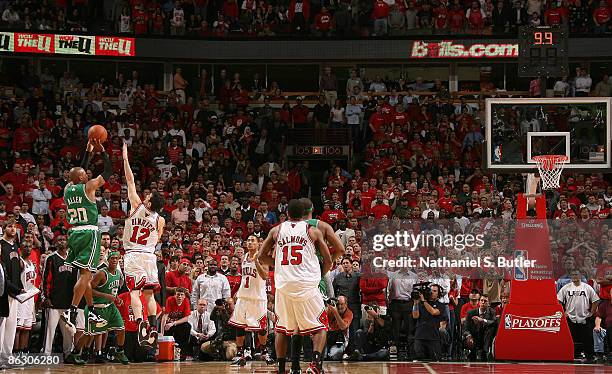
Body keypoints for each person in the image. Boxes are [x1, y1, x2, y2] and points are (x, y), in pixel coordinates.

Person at [259, 199, 332, 374]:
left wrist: (277, 264)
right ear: (305, 214)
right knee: (321, 326)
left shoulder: (277, 230)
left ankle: (282, 368)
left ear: (287, 214)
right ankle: (314, 364)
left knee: (281, 329)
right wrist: (319, 272)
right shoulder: (312, 231)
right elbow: (329, 260)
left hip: (284, 286)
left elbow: (262, 256)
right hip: (306, 285)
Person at [62, 139, 113, 332]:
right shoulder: (89, 186)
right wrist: (103, 153)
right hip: (89, 232)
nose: (87, 174)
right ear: (83, 178)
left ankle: (89, 310)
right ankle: (72, 310)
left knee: (84, 275)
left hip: (73, 233)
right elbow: (108, 173)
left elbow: (78, 170)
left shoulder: (67, 189)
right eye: (85, 174)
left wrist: (88, 152)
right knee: (86, 275)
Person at [122, 143, 165, 347]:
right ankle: (154, 326)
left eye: (147, 196)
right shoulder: (161, 220)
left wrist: (125, 158)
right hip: (150, 256)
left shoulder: (137, 206)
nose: (145, 195)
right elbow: (158, 239)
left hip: (133, 254)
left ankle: (140, 323)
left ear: (148, 203)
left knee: (134, 292)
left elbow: (130, 180)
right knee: (149, 294)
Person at [66, 250, 129, 365]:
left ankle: (119, 351)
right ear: (107, 260)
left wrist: (116, 299)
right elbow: (89, 289)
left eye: (116, 258)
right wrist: (106, 296)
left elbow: (113, 293)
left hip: (110, 307)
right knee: (89, 334)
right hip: (96, 307)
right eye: (112, 258)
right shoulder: (101, 273)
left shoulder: (119, 274)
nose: (114, 260)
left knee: (121, 329)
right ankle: (74, 353)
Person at [228, 235, 273, 365]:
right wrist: (239, 290)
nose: (249, 242)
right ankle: (240, 353)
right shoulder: (244, 257)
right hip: (244, 296)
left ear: (259, 243)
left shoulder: (263, 256)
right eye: (248, 240)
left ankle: (264, 352)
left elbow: (265, 276)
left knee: (261, 327)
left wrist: (256, 261)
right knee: (239, 325)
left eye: (252, 240)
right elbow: (245, 276)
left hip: (258, 297)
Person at [42, 235, 76, 356]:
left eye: (64, 240)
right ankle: (46, 354)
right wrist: (46, 297)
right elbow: (46, 280)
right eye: (59, 240)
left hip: (68, 303)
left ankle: (68, 354)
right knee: (50, 331)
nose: (62, 242)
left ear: (68, 242)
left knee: (68, 332)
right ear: (56, 243)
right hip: (54, 302)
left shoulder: (73, 259)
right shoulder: (51, 258)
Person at [558, 269, 600, 361]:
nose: (574, 276)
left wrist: (592, 312)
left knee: (587, 339)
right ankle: (573, 356)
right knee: (571, 339)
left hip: (584, 317)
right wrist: (563, 312)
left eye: (576, 274)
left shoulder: (587, 287)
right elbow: (558, 300)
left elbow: (596, 300)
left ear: (580, 275)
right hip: (570, 317)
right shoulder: (566, 287)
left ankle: (590, 357)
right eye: (572, 275)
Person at [0, 219, 23, 355]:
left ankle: (7, 355)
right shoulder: (1, 245)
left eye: (14, 227)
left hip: (14, 292)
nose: (13, 229)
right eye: (10, 226)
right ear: (4, 229)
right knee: (2, 326)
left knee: (11, 326)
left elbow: (16, 270)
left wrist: (19, 288)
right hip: (4, 291)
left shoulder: (15, 246)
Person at [412, 284, 448, 361]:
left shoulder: (441, 305)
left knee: (435, 359)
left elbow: (433, 312)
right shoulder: (420, 303)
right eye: (431, 290)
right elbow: (415, 316)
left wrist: (424, 301)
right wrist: (415, 303)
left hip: (433, 337)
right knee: (418, 360)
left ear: (439, 294)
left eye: (434, 291)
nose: (432, 292)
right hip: (420, 336)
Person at [14, 242, 37, 353]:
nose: (28, 248)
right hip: (21, 298)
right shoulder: (20, 262)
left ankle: (24, 351)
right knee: (18, 328)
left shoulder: (32, 263)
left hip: (30, 298)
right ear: (20, 249)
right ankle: (15, 352)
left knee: (27, 328)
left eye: (30, 246)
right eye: (25, 247)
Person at [463, 294, 496, 361]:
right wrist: (469, 336)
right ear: (479, 302)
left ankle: (485, 351)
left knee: (491, 328)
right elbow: (465, 328)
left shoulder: (492, 312)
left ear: (489, 304)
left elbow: (493, 322)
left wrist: (482, 320)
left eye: (485, 301)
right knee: (468, 338)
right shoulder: (471, 313)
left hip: (485, 336)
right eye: (481, 300)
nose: (483, 302)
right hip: (474, 336)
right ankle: (472, 352)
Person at [162, 287, 192, 358]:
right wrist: (162, 331)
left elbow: (187, 318)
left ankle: (182, 352)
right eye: (178, 294)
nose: (179, 296)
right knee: (166, 329)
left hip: (177, 323)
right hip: (169, 323)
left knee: (187, 326)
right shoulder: (170, 300)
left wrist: (174, 323)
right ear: (174, 295)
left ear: (184, 296)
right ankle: (168, 353)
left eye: (181, 295)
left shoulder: (186, 301)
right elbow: (165, 316)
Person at [325, 296, 353, 360]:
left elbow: (343, 327)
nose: (340, 306)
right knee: (323, 356)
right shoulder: (330, 310)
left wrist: (335, 312)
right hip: (329, 337)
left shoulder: (349, 313)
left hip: (340, 340)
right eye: (338, 304)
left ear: (346, 304)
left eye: (342, 304)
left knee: (335, 356)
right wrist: (327, 308)